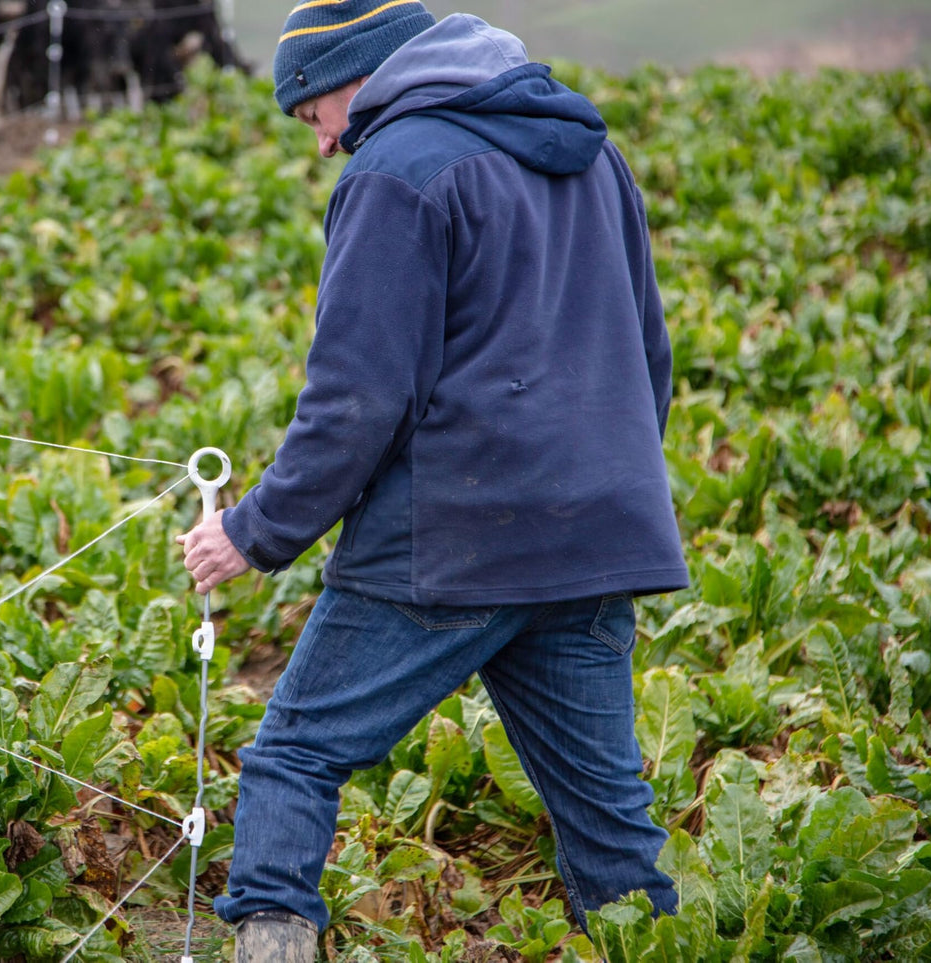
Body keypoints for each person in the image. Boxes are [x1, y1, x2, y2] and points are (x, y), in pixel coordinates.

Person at [175, 2, 689, 959]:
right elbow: (648, 356)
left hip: (452, 536)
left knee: (293, 755)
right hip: (596, 534)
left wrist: (251, 531)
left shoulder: (395, 169)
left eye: (311, 113)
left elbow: (358, 402)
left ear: (354, 74)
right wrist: (590, 489)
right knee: (611, 824)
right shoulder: (588, 147)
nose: (323, 140)